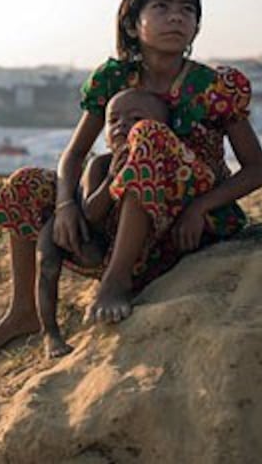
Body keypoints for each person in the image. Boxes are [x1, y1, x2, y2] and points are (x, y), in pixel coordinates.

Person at [0, 0, 262, 358]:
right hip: (114, 215)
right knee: (26, 182)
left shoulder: (215, 88)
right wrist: (65, 206)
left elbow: (256, 169)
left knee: (145, 136)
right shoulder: (114, 79)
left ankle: (115, 280)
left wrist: (200, 207)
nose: (177, 17)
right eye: (162, 7)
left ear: (196, 27)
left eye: (187, 10)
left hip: (187, 221)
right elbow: (75, 154)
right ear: (133, 24)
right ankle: (24, 310)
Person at [38, 88, 170, 358]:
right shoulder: (99, 164)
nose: (122, 125)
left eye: (135, 119)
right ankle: (50, 333)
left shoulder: (156, 170)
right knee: (47, 265)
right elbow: (90, 213)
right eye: (114, 120)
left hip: (115, 248)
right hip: (80, 234)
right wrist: (112, 179)